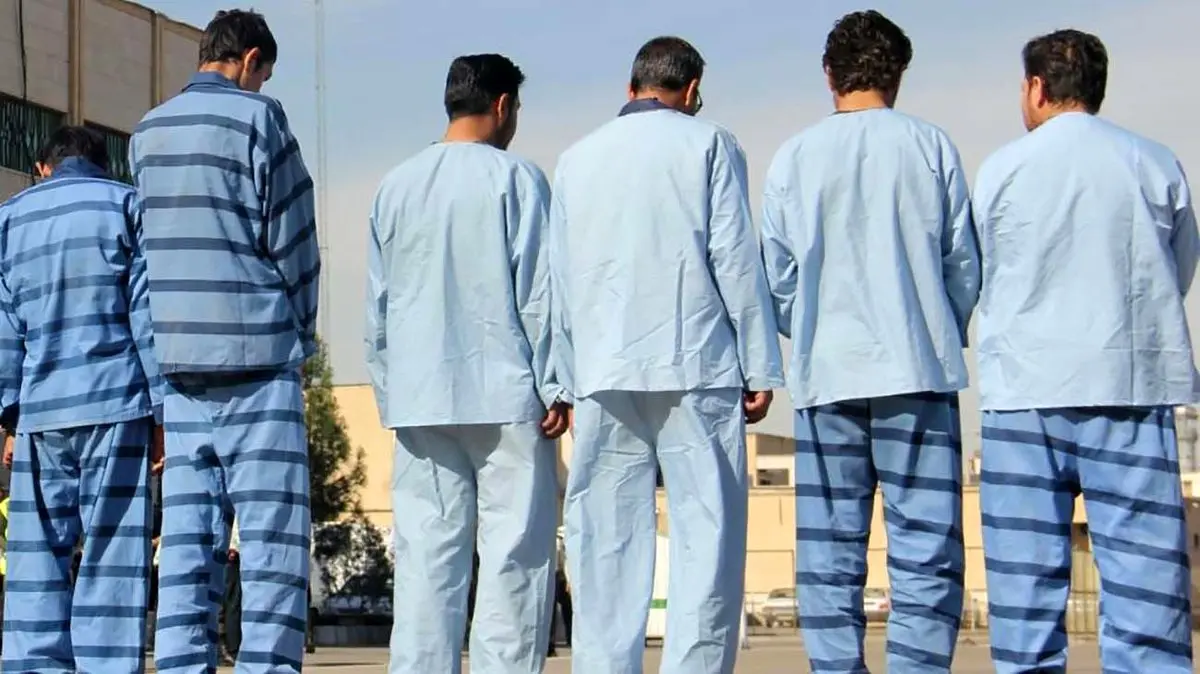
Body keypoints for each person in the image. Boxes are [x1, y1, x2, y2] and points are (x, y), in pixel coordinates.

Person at [548, 36, 785, 674]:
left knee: (606, 544)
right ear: (692, 89)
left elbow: (558, 279)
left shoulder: (576, 158)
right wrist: (759, 363)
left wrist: (560, 378)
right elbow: (734, 259)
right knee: (707, 538)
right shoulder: (709, 144)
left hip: (603, 367)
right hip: (694, 362)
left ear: (631, 87)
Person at [758, 11, 979, 673]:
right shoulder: (931, 146)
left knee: (829, 553)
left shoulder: (795, 156)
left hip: (828, 374)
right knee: (926, 550)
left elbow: (778, 274)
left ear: (829, 74)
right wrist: (936, 321)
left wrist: (809, 323)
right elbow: (962, 265)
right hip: (917, 367)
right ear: (898, 74)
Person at [972, 29, 1197, 674]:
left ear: (1036, 88)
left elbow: (978, 271)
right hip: (1129, 385)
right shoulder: (1155, 162)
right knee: (1146, 598)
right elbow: (1179, 268)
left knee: (1025, 605)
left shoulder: (1001, 169)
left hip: (1024, 396)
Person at [129, 9, 319, 673]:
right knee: (271, 545)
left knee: (186, 543)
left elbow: (144, 261)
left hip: (180, 369)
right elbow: (294, 237)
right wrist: (302, 334)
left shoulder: (147, 132)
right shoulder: (260, 119)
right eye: (263, 74)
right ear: (251, 60)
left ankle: (181, 663)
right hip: (257, 360)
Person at [364, 53, 568, 674]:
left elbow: (378, 307)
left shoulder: (396, 185)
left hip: (421, 395)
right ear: (502, 105)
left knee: (427, 562)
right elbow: (540, 294)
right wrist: (556, 383)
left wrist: (390, 393)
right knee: (513, 558)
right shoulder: (518, 179)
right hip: (505, 394)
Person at [0, 125, 165, 673]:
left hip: (40, 409)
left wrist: (10, 415)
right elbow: (145, 315)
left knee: (35, 556)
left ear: (43, 167)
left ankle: (33, 664)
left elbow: (4, 332)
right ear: (103, 165)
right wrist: (162, 409)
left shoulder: (10, 218)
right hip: (116, 402)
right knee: (110, 551)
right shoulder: (126, 206)